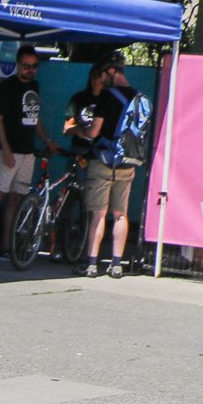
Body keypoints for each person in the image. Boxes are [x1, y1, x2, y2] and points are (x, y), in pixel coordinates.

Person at [64, 57, 140, 278]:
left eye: (103, 74)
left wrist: (81, 132)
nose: (101, 79)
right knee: (120, 214)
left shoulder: (108, 96)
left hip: (104, 161)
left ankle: (92, 264)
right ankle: (116, 264)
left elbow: (94, 132)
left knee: (98, 214)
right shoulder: (137, 96)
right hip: (128, 163)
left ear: (112, 71)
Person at [0, 51, 55, 258]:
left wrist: (47, 139)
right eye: (25, 66)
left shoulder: (35, 86)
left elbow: (34, 117)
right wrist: (5, 149)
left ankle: (6, 245)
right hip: (8, 150)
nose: (29, 70)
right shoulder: (8, 86)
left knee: (16, 199)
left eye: (33, 66)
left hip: (27, 152)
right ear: (17, 65)